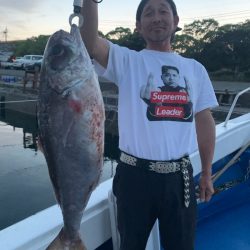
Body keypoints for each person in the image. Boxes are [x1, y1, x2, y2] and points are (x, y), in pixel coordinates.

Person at [81, 0, 218, 249]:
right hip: (134, 177)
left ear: (176, 22)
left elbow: (204, 120)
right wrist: (89, 2)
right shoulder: (127, 61)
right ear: (138, 26)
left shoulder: (195, 69)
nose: (157, 18)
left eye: (164, 11)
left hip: (180, 178)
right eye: (149, 13)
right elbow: (89, 43)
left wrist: (206, 173)